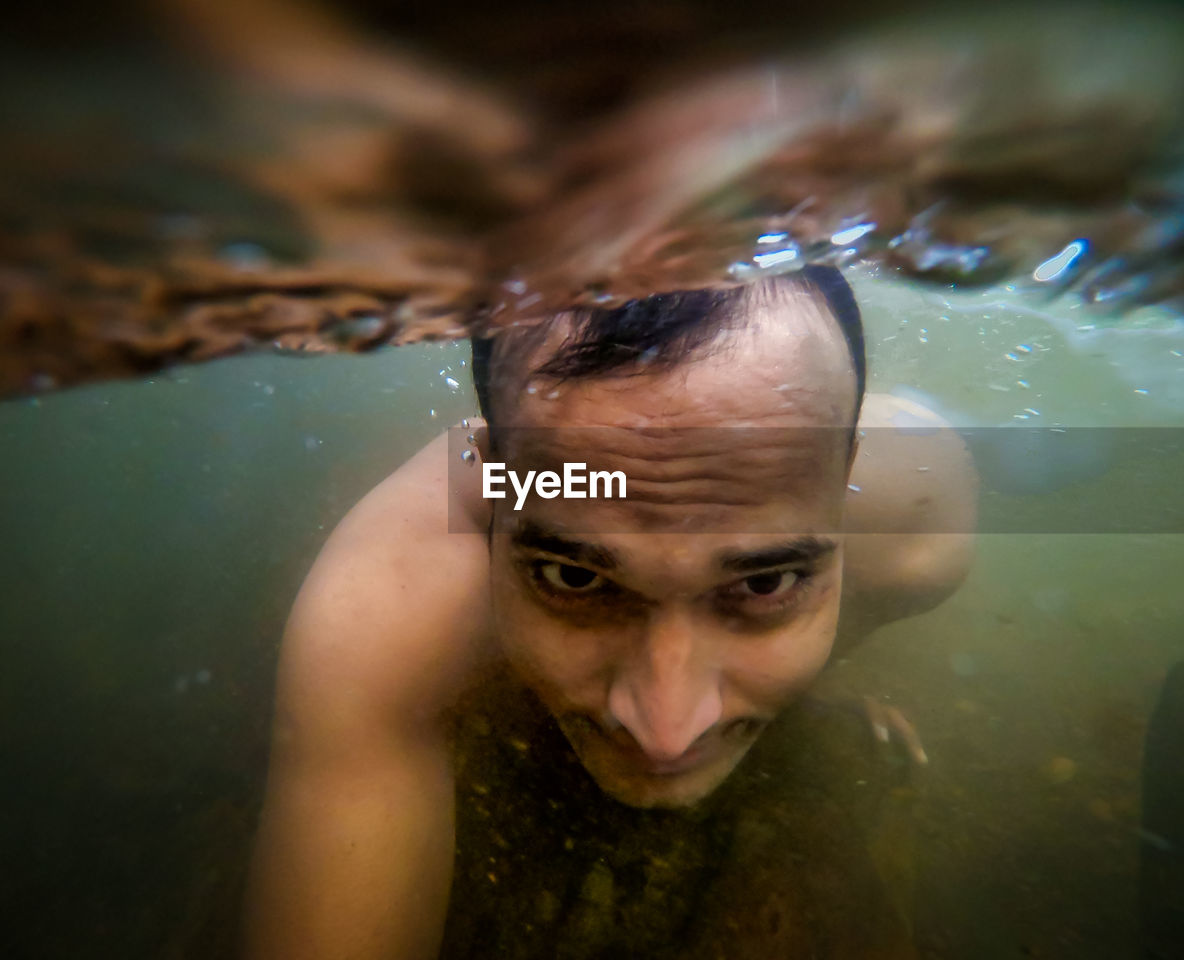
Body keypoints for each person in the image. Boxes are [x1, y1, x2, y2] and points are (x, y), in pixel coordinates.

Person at [243, 265, 976, 959]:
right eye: (573, 578)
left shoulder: (916, 534)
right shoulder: (394, 593)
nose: (666, 734)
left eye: (764, 586)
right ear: (498, 481)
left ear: (846, 477)